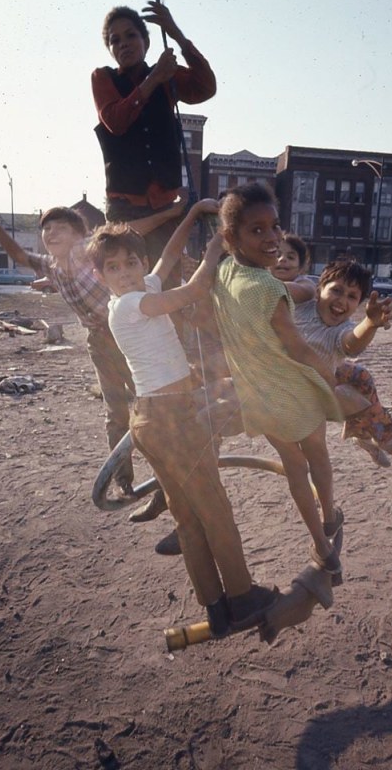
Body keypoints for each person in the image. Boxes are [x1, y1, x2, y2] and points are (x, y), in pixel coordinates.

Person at [87, 198, 280, 638]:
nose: (125, 272)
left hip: (154, 420)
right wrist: (221, 244)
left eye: (130, 262)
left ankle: (216, 607)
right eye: (113, 268)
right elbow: (193, 292)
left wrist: (193, 218)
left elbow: (170, 256)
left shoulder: (141, 292)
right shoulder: (128, 306)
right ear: (101, 277)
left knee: (189, 518)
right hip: (171, 419)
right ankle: (243, 597)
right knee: (215, 509)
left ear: (139, 262)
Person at [0, 191, 184, 498]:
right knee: (115, 414)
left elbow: (131, 232)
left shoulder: (85, 251)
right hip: (100, 344)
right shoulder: (52, 266)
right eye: (46, 229)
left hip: (130, 337)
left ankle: (166, 485)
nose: (51, 234)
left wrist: (171, 213)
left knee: (150, 408)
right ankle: (124, 480)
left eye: (59, 227)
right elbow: (19, 255)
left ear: (79, 234)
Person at [212, 183, 345, 576]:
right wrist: (332, 381)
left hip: (257, 397)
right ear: (232, 236)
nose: (271, 238)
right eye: (257, 230)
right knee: (317, 453)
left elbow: (274, 291)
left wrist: (302, 289)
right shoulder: (268, 288)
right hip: (293, 392)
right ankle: (328, 514)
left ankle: (321, 546)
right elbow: (300, 350)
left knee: (293, 466)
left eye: (275, 226)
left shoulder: (224, 272)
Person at [91, 1, 216, 280]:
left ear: (146, 41)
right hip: (124, 208)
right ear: (110, 49)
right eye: (115, 40)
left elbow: (206, 87)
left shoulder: (166, 74)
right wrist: (154, 78)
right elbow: (115, 120)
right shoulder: (103, 78)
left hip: (164, 207)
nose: (123, 44)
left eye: (131, 35)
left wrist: (176, 34)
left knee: (166, 285)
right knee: (125, 285)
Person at [273, 237, 392, 467]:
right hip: (294, 385)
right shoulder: (302, 302)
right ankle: (374, 436)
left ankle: (371, 436)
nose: (341, 301)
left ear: (357, 304)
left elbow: (352, 343)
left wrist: (370, 324)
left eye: (352, 297)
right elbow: (277, 285)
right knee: (351, 396)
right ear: (319, 290)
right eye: (336, 291)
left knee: (361, 375)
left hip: (321, 371)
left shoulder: (342, 328)